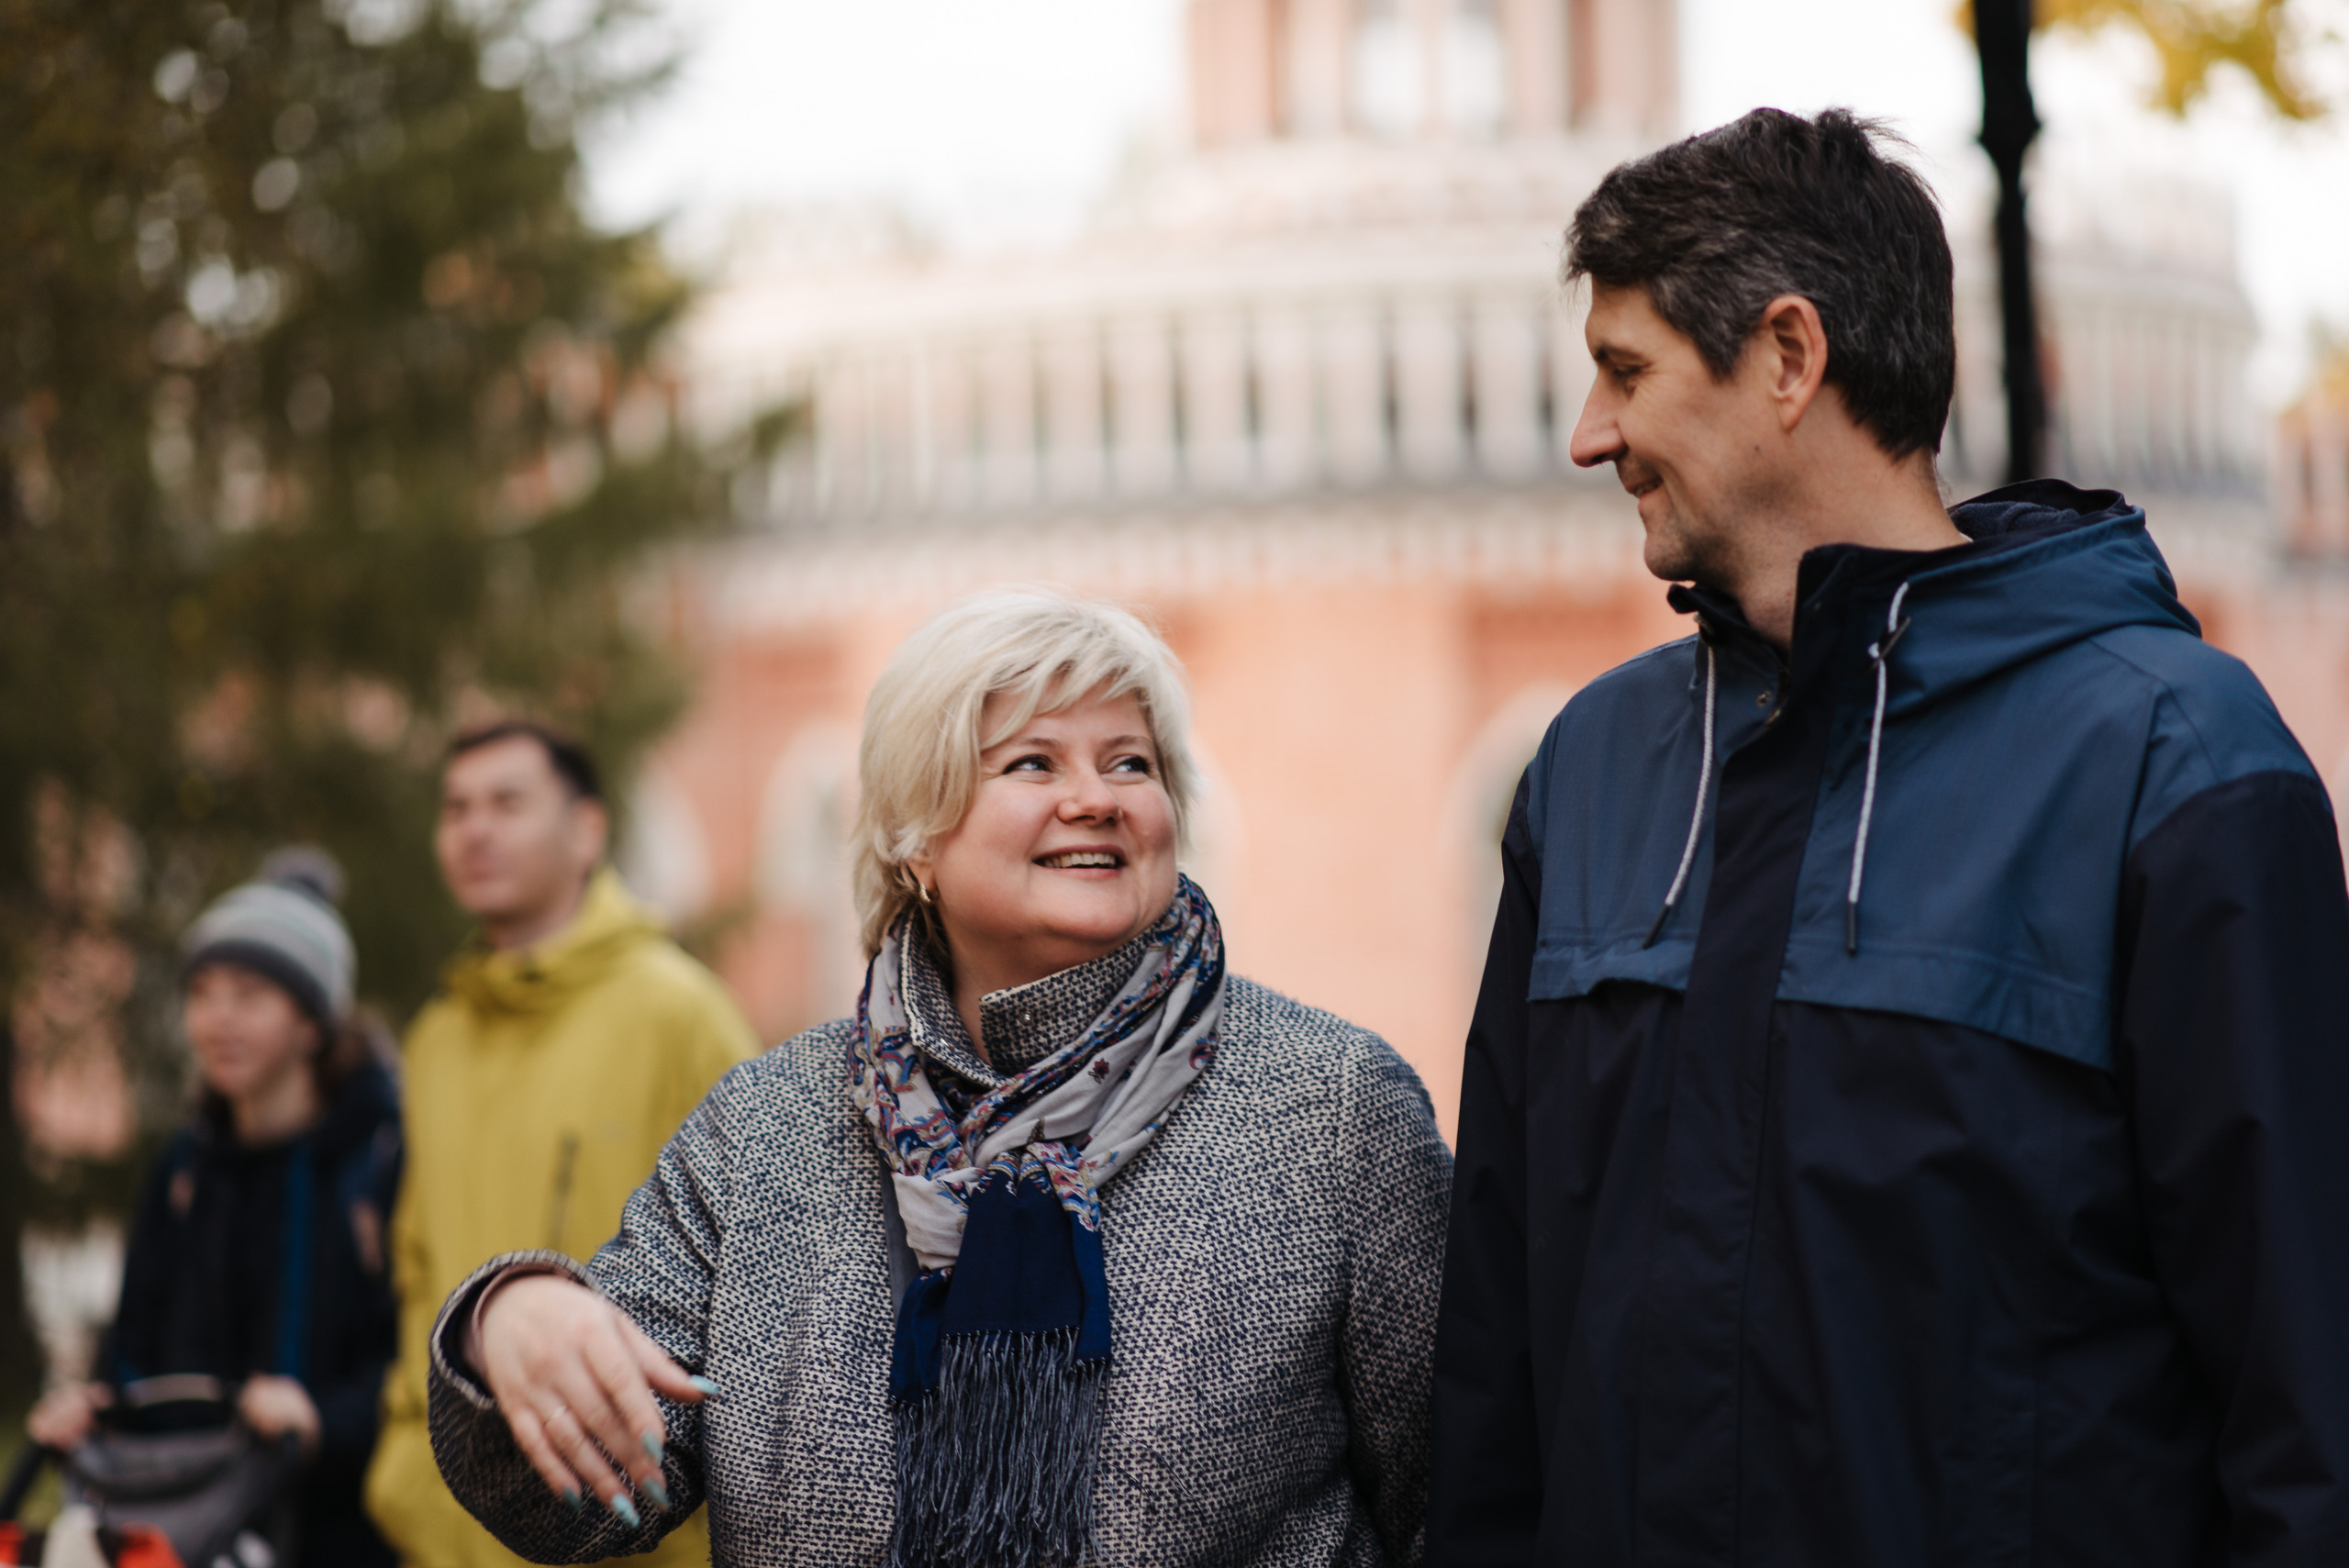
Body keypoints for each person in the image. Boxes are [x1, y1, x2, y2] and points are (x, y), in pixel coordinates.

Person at [1426, 107, 2349, 1566]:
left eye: (1626, 371)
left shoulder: (2175, 764)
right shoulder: (1592, 768)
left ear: (1790, 359)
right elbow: (1494, 1366)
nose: (1588, 434)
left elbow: (2308, 1401)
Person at [415, 590, 1452, 1568]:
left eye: (1131, 763)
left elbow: (1458, 1500)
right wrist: (504, 1322)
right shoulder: (769, 1122)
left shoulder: (1333, 1106)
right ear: (915, 835)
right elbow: (584, 1502)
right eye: (1033, 763)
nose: (1095, 799)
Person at [362, 721, 757, 1568]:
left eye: (507, 802)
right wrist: (406, 1468)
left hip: (626, 1532)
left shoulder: (679, 1013)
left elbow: (760, 1284)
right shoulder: (435, 1037)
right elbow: (418, 1265)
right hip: (446, 1531)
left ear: (586, 830)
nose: (475, 829)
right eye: (457, 806)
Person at [28, 850, 404, 1568]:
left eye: (249, 995)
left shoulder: (376, 1164)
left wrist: (320, 1417)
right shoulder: (184, 1166)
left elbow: (407, 1360)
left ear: (313, 1023)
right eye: (201, 992)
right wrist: (94, 1404)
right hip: (182, 1527)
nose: (216, 1019)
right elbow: (134, 1338)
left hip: (333, 1534)